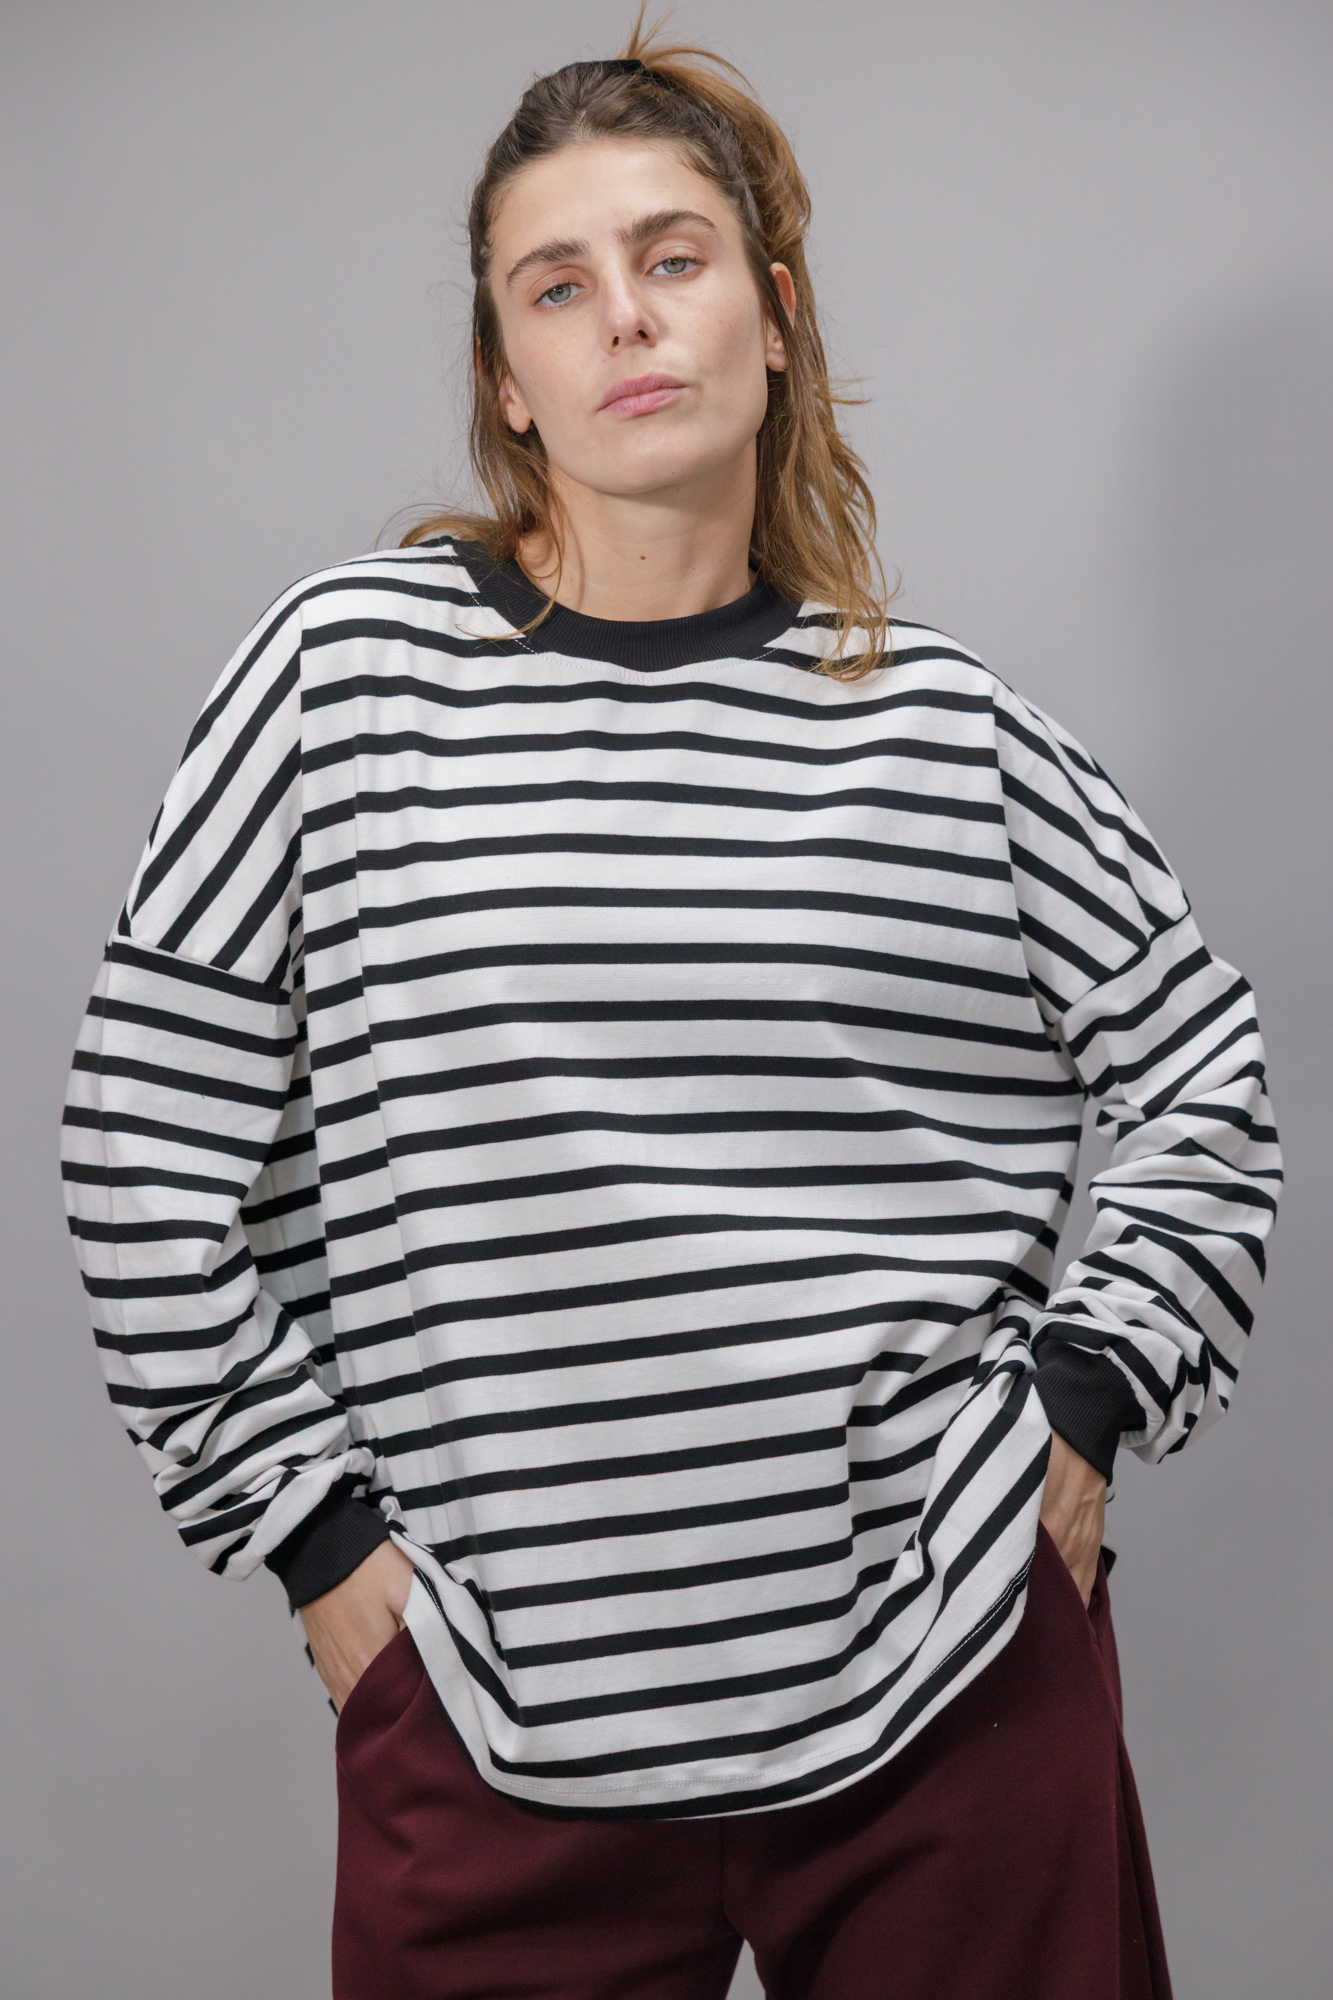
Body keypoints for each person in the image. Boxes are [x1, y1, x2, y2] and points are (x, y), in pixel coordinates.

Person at [61, 19, 1281, 2000]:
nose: (624, 317)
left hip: (949, 1688)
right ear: (507, 377)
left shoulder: (948, 732)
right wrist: (312, 1541)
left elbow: (1202, 1082)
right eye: (556, 285)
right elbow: (138, 1149)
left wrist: (1087, 1398)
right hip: (489, 1715)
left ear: (773, 318)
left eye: (673, 256)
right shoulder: (337, 684)